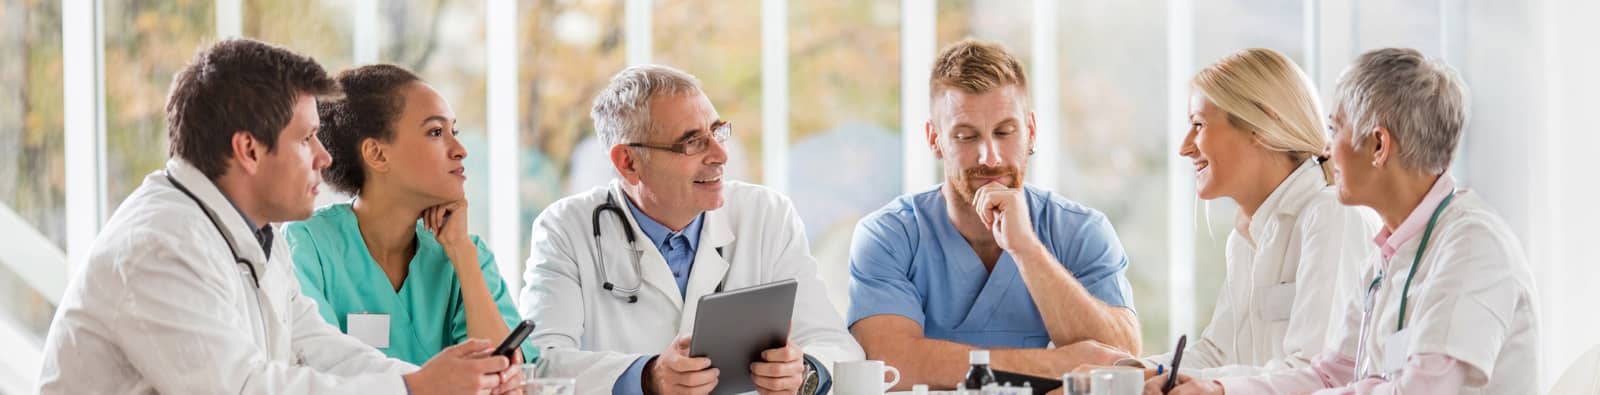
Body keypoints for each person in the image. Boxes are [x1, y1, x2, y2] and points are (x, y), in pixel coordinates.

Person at [36, 38, 517, 394]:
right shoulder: (161, 245)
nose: (325, 158)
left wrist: (421, 378)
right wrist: (415, 389)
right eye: (307, 138)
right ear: (248, 149)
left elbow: (316, 346)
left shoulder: (256, 235)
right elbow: (243, 389)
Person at [1158, 48, 1540, 394]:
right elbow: (1330, 375)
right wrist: (1220, 392)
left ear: (1378, 145)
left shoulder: (1472, 246)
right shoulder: (1387, 258)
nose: (1325, 149)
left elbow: (1422, 391)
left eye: (1334, 129)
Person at [519, 64, 864, 395]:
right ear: (629, 162)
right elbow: (539, 365)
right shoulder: (565, 228)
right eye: (692, 142)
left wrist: (804, 373)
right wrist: (647, 377)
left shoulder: (766, 216)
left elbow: (838, 347)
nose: (720, 155)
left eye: (717, 132)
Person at [847, 38, 1139, 390]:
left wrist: (1027, 250)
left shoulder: (1080, 230)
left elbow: (1122, 362)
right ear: (934, 139)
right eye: (966, 136)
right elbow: (891, 365)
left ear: (1030, 131)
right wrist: (1061, 364)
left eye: (1005, 132)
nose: (990, 157)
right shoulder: (890, 236)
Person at [1118, 48, 1376, 380]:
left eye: (1198, 125)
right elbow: (1216, 353)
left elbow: (1319, 375)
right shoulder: (1245, 237)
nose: (1184, 146)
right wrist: (1125, 375)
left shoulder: (1332, 217)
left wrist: (1217, 389)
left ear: (1262, 127)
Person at [285, 64, 534, 366]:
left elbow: (506, 377)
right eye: (435, 132)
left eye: (453, 131)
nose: (460, 150)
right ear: (377, 154)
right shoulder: (308, 244)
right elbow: (320, 368)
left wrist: (462, 255)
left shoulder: (467, 254)